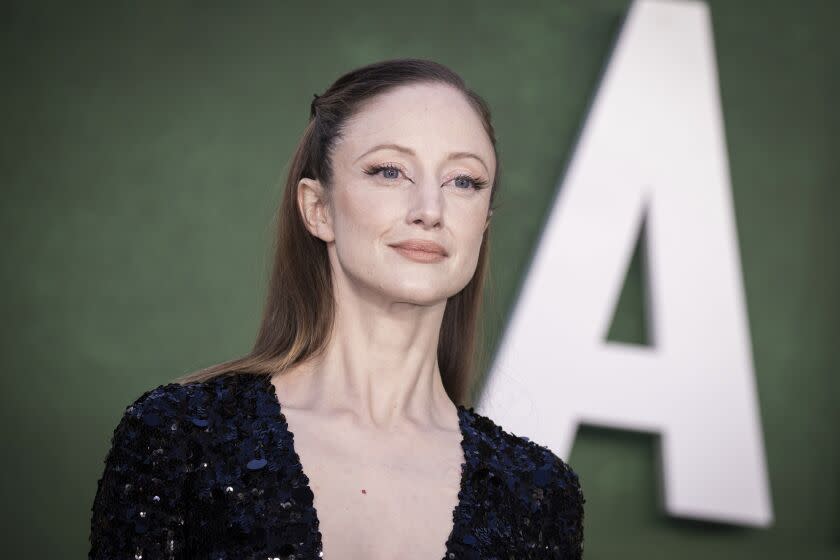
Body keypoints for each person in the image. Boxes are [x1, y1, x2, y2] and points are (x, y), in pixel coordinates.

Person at [88, 57, 585, 560]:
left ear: (483, 222)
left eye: (463, 181)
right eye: (389, 171)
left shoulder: (539, 494)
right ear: (317, 208)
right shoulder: (179, 441)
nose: (430, 211)